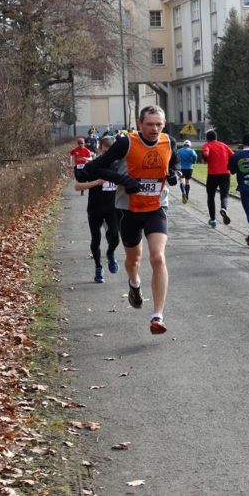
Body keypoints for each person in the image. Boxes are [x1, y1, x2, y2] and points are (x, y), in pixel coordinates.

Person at [77, 105, 180, 335]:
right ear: (139, 123)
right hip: (128, 209)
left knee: (158, 257)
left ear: (164, 124)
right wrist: (124, 180)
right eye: (150, 124)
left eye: (159, 124)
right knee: (134, 260)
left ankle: (157, 316)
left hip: (157, 207)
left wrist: (174, 174)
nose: (155, 129)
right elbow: (94, 168)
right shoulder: (125, 143)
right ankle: (134, 283)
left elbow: (174, 163)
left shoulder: (168, 142)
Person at [74, 135, 121, 283]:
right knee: (96, 239)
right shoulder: (92, 166)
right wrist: (96, 182)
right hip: (95, 208)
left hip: (113, 208)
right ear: (100, 149)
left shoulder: (118, 165)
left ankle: (110, 253)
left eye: (111, 151)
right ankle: (98, 268)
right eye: (105, 151)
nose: (108, 154)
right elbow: (77, 186)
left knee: (115, 236)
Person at [202, 130, 235, 227]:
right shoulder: (224, 145)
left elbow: (206, 153)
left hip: (213, 174)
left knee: (211, 196)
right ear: (216, 137)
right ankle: (224, 208)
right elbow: (233, 155)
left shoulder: (207, 145)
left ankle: (213, 220)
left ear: (207, 138)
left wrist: (205, 157)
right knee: (224, 194)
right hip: (225, 173)